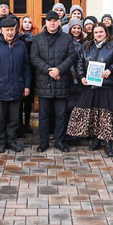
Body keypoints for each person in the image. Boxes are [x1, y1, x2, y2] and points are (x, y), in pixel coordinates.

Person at [67, 23, 113, 157]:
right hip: (90, 85)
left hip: (106, 85)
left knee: (106, 114)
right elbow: (80, 62)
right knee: (93, 112)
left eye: (101, 32)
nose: (98, 34)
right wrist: (81, 77)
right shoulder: (87, 46)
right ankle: (96, 139)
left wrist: (110, 70)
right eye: (96, 32)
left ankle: (108, 143)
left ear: (106, 32)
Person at [31, 11, 77, 153]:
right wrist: (50, 71)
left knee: (61, 115)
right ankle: (43, 142)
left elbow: (71, 57)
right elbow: (34, 58)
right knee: (43, 115)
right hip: (44, 82)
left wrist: (59, 70)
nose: (52, 23)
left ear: (59, 22)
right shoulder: (38, 39)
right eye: (49, 20)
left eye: (55, 20)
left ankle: (60, 141)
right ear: (46, 22)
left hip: (61, 82)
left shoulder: (67, 38)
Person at [0, 17, 31, 153]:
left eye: (12, 30)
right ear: (2, 31)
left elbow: (27, 67)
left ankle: (12, 140)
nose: (10, 32)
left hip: (17, 87)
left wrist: (27, 86)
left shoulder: (21, 45)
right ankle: (1, 142)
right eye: (7, 30)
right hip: (0, 88)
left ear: (15, 30)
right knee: (0, 118)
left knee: (14, 118)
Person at [18, 16, 37, 136]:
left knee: (29, 100)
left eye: (29, 22)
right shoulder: (17, 39)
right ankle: (19, 124)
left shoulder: (35, 39)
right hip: (19, 72)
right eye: (25, 22)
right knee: (19, 100)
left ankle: (27, 123)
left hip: (32, 71)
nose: (27, 24)